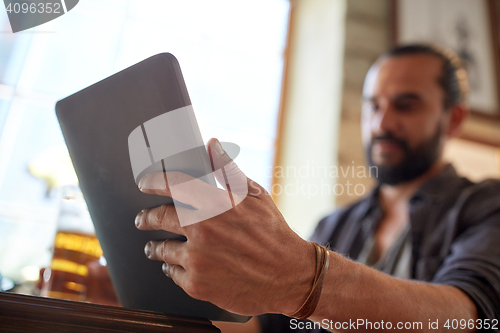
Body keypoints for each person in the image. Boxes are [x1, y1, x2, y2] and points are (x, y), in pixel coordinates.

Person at [134, 44, 500, 332]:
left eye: (405, 106)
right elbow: (268, 327)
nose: (381, 122)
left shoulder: (488, 206)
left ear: (453, 119)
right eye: (373, 106)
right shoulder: (335, 225)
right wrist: (136, 314)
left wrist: (300, 275)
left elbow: (469, 318)